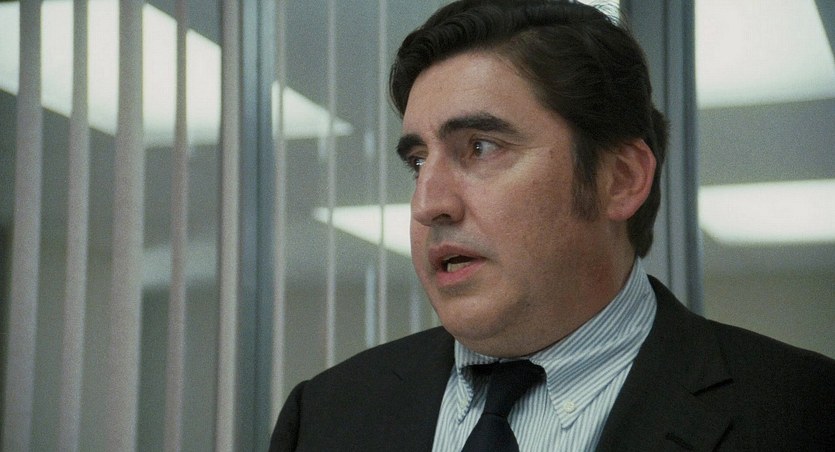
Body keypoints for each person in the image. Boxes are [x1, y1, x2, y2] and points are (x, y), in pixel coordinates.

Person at [270, 0, 835, 450]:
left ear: (620, 179)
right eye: (418, 162)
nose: (427, 203)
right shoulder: (325, 416)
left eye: (481, 147)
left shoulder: (803, 414)